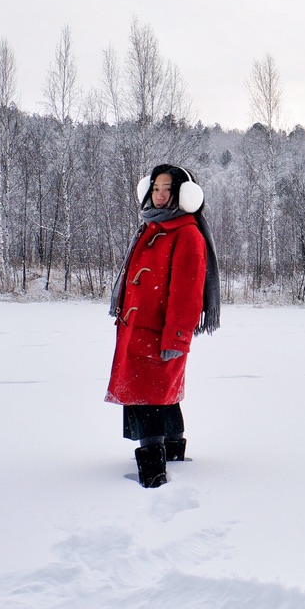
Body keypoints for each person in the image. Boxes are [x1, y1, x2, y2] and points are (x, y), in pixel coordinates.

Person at [107, 164, 221, 487]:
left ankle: (154, 478)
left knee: (150, 401)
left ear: (182, 195)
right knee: (161, 398)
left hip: (159, 337)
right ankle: (175, 458)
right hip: (137, 332)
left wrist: (178, 337)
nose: (159, 194)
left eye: (167, 189)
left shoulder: (187, 233)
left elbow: (187, 293)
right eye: (155, 187)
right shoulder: (151, 227)